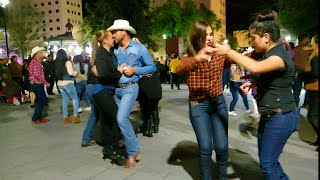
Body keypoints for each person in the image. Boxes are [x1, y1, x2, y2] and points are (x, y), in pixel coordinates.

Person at [210, 9, 299, 179]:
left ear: (266, 37)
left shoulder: (280, 55)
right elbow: (272, 77)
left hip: (281, 116)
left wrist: (229, 51)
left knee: (267, 164)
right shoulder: (269, 54)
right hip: (270, 115)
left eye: (253, 37)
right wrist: (254, 83)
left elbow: (256, 67)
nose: (251, 41)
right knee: (269, 161)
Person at [175, 20, 229, 180]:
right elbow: (178, 69)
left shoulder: (218, 54)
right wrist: (197, 58)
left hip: (218, 103)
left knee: (222, 147)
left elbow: (240, 58)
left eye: (211, 34)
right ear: (197, 37)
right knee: (206, 147)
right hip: (199, 107)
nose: (209, 38)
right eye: (205, 35)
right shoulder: (189, 57)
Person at [107, 19, 156, 170]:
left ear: (123, 32)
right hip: (115, 90)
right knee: (119, 119)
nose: (113, 34)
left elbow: (152, 67)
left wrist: (136, 70)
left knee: (121, 118)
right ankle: (129, 143)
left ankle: (133, 152)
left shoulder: (139, 48)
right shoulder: (114, 50)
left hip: (130, 87)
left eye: (115, 31)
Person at [138, 49, 162, 137]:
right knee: (154, 108)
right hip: (157, 91)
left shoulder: (143, 67)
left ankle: (148, 129)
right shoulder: (154, 66)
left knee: (146, 110)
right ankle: (155, 126)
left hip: (147, 92)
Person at [55, 49, 81, 124]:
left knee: (65, 99)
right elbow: (70, 73)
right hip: (68, 83)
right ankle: (75, 116)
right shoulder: (67, 62)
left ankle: (65, 117)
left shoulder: (57, 63)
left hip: (60, 84)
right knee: (75, 99)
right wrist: (76, 73)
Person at [303, 34, 318, 151]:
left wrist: (301, 74)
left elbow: (315, 73)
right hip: (315, 89)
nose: (311, 45)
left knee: (312, 116)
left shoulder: (316, 56)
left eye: (312, 43)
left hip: (316, 89)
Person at [29, 46, 50, 124]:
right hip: (37, 84)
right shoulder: (36, 62)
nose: (42, 54)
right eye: (41, 52)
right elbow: (38, 75)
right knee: (41, 101)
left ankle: (39, 117)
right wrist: (45, 83)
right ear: (36, 54)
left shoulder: (35, 62)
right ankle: (36, 118)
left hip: (36, 84)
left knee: (41, 101)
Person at [292, 34, 312, 106]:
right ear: (303, 39)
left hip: (297, 72)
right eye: (307, 39)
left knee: (296, 91)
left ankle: (295, 105)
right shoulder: (309, 50)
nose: (308, 40)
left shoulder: (294, 50)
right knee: (308, 88)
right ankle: (306, 103)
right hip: (307, 71)